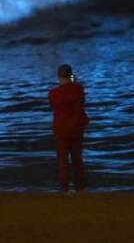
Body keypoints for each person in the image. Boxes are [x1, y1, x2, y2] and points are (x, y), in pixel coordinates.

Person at [48, 64, 89, 192]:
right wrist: (73, 81)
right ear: (71, 75)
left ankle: (64, 187)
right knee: (77, 159)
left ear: (59, 76)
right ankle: (80, 187)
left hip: (61, 129)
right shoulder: (78, 90)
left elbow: (55, 108)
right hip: (76, 128)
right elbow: (79, 106)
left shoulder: (53, 94)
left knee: (62, 160)